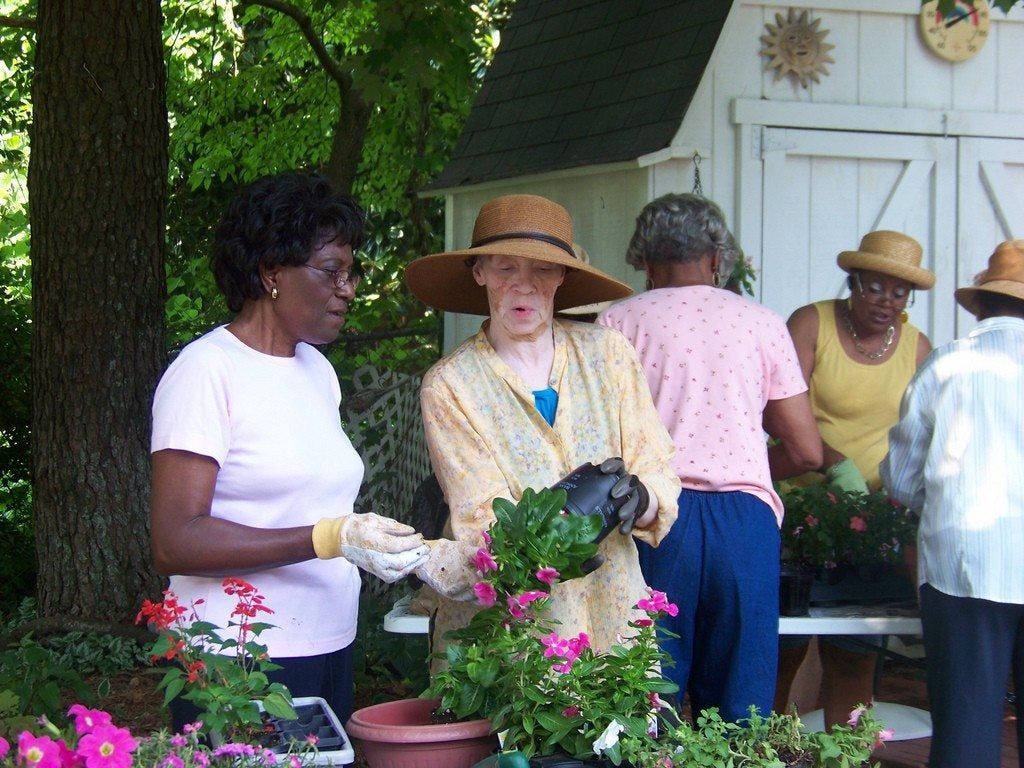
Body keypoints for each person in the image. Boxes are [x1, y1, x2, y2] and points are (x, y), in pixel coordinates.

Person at [149, 171, 429, 731]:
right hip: (236, 655)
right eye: (331, 271)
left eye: (351, 272)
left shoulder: (317, 371)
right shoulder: (206, 371)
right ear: (270, 272)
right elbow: (175, 540)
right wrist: (328, 538)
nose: (348, 288)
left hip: (329, 640)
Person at [403, 193, 681, 659]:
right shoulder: (451, 385)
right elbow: (481, 520)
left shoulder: (609, 355)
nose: (523, 286)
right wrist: (558, 542)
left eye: (542, 269)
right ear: (479, 273)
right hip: (510, 643)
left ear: (563, 277)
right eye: (505, 268)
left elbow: (656, 465)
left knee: (623, 727)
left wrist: (644, 498)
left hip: (615, 624)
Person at [597, 193, 822, 722]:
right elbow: (808, 451)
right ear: (718, 259)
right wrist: (750, 468)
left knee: (649, 692)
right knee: (741, 701)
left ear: (646, 262)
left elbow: (598, 438)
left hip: (652, 515)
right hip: (745, 523)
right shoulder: (763, 324)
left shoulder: (617, 323)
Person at [775, 230, 934, 728]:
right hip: (799, 514)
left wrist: (899, 492)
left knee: (855, 657)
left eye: (898, 292)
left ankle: (842, 759)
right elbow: (774, 409)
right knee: (782, 652)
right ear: (853, 282)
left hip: (875, 522)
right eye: (874, 287)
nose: (886, 301)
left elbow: (926, 432)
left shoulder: (917, 347)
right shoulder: (811, 322)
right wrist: (830, 460)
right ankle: (763, 754)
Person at [882, 240, 1024, 768]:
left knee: (966, 728)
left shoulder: (946, 365)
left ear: (982, 304)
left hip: (965, 567)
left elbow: (901, 479)